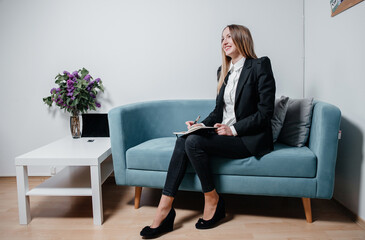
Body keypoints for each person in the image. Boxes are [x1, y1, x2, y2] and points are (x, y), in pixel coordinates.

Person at [140, 24, 276, 238]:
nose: (224, 41)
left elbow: (265, 112)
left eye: (229, 36)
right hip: (223, 133)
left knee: (193, 142)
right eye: (222, 38)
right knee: (185, 139)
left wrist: (233, 129)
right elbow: (218, 112)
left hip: (247, 138)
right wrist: (201, 125)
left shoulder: (259, 66)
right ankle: (165, 208)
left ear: (242, 38)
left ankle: (212, 200)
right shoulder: (223, 71)